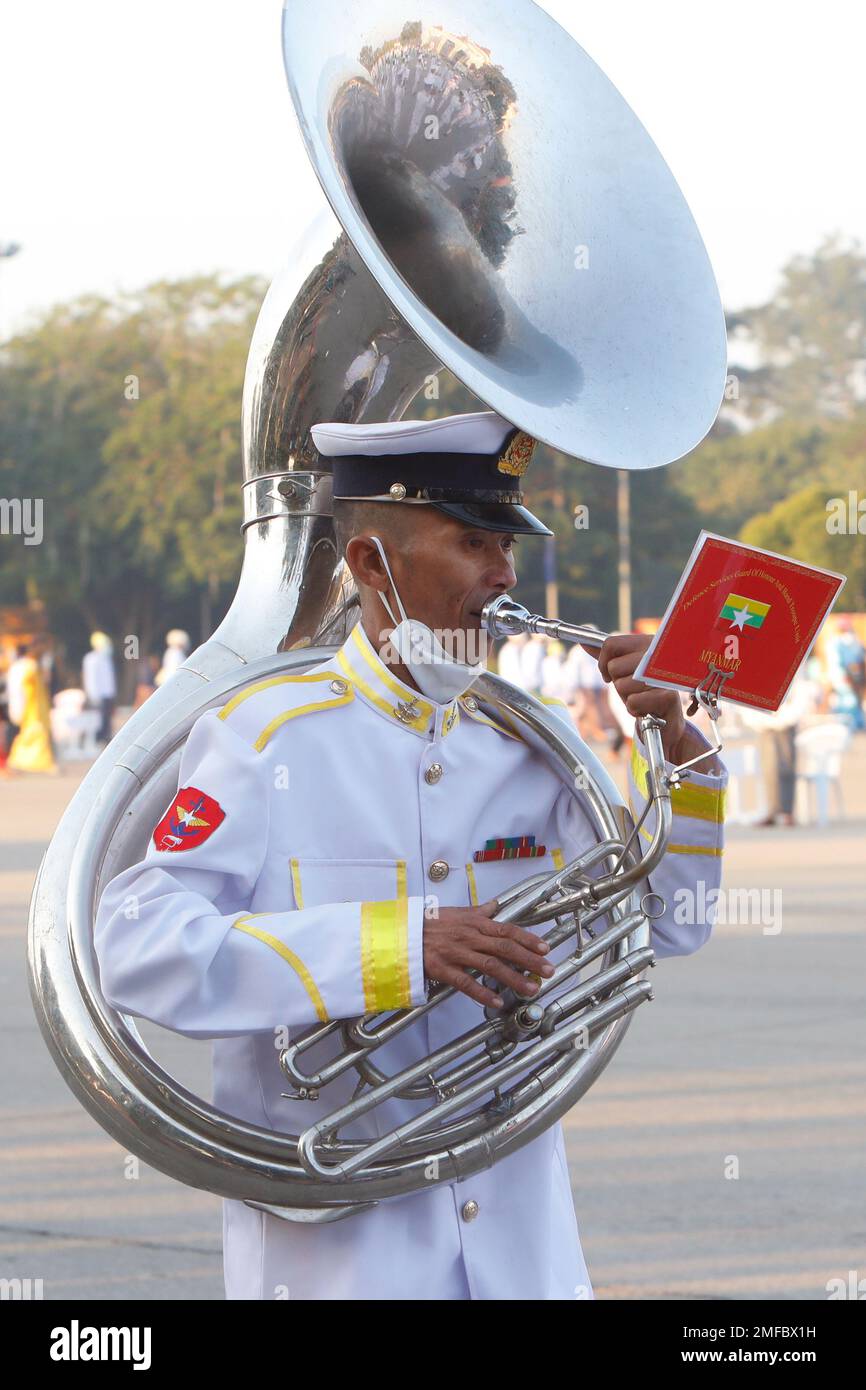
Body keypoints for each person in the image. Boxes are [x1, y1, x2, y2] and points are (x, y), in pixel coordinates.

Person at [93, 410, 728, 1301]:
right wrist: (394, 948)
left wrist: (674, 739)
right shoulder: (264, 738)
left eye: (507, 547)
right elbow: (137, 945)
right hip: (341, 1259)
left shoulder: (533, 746)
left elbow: (670, 924)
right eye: (473, 542)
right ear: (369, 564)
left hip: (523, 1251)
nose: (503, 576)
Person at [7, 644, 57, 774]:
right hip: (33, 708)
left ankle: (17, 762)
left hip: (21, 706)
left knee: (22, 734)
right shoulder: (31, 667)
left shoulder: (15, 667)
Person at [82, 632, 117, 745]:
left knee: (107, 720)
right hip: (98, 695)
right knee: (99, 721)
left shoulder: (106, 658)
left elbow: (109, 678)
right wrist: (93, 696)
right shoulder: (91, 659)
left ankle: (106, 740)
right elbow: (91, 679)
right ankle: (96, 741)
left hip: (108, 694)